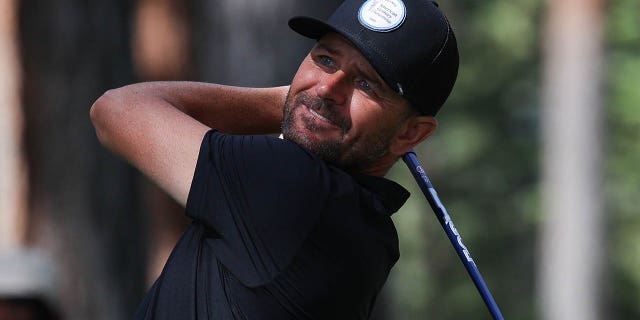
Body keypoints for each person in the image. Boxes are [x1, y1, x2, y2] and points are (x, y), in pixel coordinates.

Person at [90, 0, 458, 318]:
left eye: (366, 85)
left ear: (410, 134)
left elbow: (117, 110)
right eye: (325, 59)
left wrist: (290, 101)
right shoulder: (368, 230)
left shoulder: (293, 185)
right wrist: (309, 104)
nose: (329, 87)